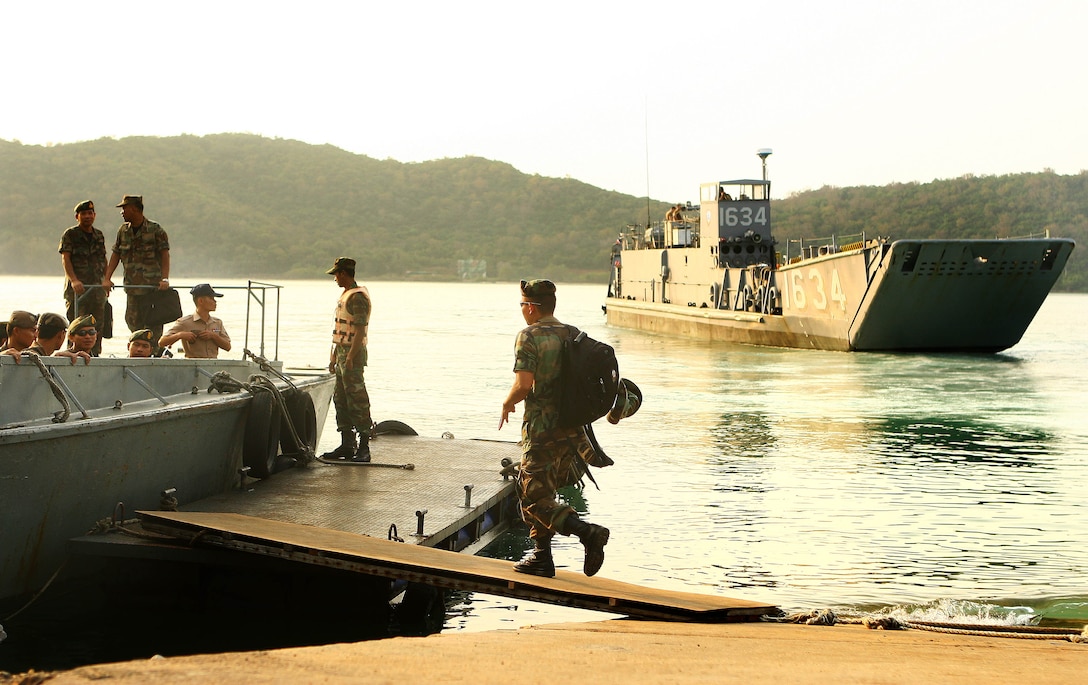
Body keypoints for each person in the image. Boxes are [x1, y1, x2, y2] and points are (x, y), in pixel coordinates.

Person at [499, 279, 610, 578]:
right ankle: (541, 557)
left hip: (542, 427)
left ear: (531, 307)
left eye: (523, 305)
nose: (522, 311)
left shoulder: (528, 336)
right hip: (572, 428)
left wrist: (507, 403)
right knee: (541, 490)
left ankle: (587, 532)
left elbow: (523, 385)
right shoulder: (572, 334)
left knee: (532, 494)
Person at [321, 257, 373, 462]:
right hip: (341, 352)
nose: (334, 278)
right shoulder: (345, 295)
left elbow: (360, 331)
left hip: (353, 354)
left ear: (343, 273)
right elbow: (342, 331)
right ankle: (347, 444)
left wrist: (350, 357)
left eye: (336, 274)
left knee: (357, 399)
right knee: (341, 398)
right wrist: (334, 357)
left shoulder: (357, 297)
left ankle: (364, 447)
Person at [103, 195, 170, 344]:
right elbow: (116, 254)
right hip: (132, 288)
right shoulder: (123, 231)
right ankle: (138, 351)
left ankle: (154, 354)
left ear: (134, 209)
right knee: (132, 322)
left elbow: (165, 255)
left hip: (152, 288)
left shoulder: (155, 230)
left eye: (124, 209)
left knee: (153, 326)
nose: (122, 212)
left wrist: (165, 279)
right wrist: (107, 278)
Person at [59, 200, 109, 355]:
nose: (87, 216)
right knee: (77, 326)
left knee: (97, 327)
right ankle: (72, 357)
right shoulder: (70, 234)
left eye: (90, 213)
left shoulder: (98, 235)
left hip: (97, 289)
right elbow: (66, 259)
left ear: (94, 215)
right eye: (84, 214)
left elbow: (103, 258)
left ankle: (95, 357)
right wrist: (74, 280)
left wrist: (107, 279)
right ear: (77, 216)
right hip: (78, 290)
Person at [159, 284, 231, 358]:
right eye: (211, 298)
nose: (215, 301)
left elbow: (228, 347)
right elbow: (162, 342)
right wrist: (180, 335)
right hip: (192, 365)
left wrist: (213, 336)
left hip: (213, 365)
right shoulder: (184, 322)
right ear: (201, 301)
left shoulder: (217, 323)